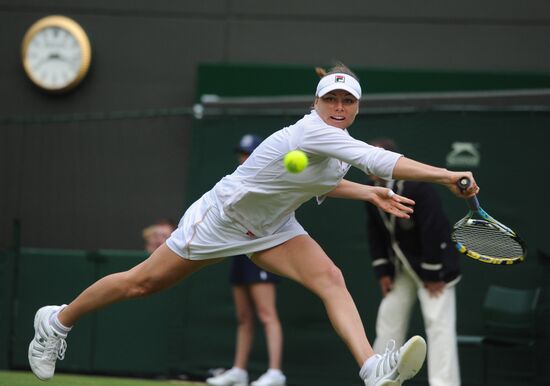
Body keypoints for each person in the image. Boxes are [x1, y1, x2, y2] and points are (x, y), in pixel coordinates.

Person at [27, 63, 479, 386]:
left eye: (347, 101)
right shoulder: (312, 131)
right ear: (316, 103)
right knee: (141, 283)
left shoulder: (336, 144)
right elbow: (379, 159)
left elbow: (316, 184)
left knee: (331, 279)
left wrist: (368, 191)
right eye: (331, 99)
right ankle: (57, 321)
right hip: (222, 218)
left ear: (356, 107)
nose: (338, 106)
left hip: (273, 227)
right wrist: (444, 175)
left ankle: (371, 367)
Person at [365, 138, 462, 386]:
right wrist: (383, 271)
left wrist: (432, 274)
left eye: (377, 160)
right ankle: (380, 377)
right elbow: (375, 232)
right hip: (403, 267)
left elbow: (434, 229)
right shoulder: (371, 189)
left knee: (438, 325)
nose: (369, 165)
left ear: (389, 163)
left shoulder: (418, 187)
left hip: (436, 267)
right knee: (388, 317)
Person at [206, 134, 286, 386]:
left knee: (266, 313)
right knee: (243, 315)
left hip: (263, 248)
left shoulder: (268, 179)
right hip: (239, 249)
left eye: (249, 154)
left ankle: (275, 373)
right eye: (242, 154)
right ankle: (239, 370)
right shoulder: (236, 180)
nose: (244, 158)